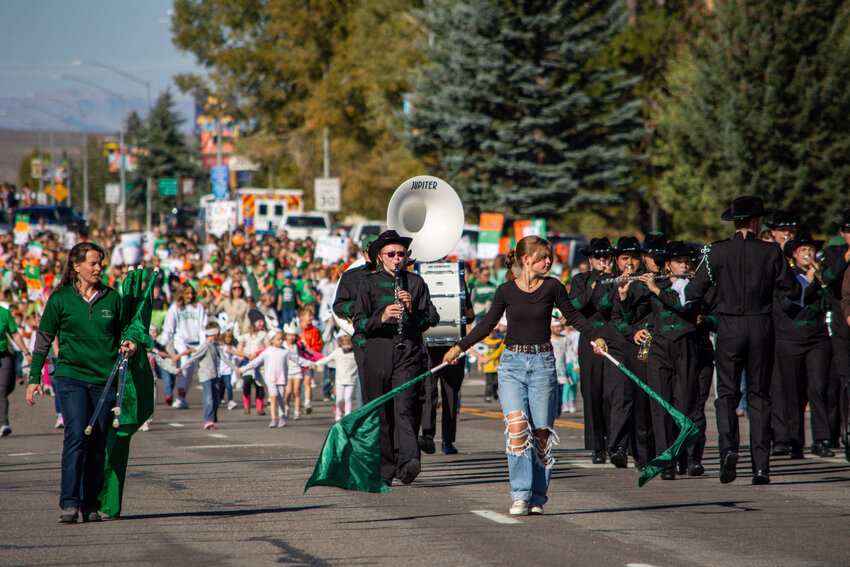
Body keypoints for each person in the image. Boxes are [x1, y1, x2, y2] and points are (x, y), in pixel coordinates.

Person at [443, 235, 606, 516]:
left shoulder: (553, 287)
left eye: (550, 257)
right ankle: (520, 493)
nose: (549, 262)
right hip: (511, 364)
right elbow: (486, 326)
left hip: (543, 362)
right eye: (544, 257)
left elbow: (574, 316)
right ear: (527, 259)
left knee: (541, 434)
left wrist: (595, 337)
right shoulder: (505, 290)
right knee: (517, 429)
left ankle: (538, 495)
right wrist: (459, 347)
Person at [684, 196, 800, 485]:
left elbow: (693, 291)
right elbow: (791, 289)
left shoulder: (716, 252)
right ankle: (761, 467)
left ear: (735, 222)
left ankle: (728, 450)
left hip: (729, 325)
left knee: (727, 395)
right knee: (759, 396)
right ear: (757, 221)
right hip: (761, 324)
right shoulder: (771, 252)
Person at [25, 242, 138, 524]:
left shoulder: (112, 298)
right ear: (76, 266)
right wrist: (34, 377)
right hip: (70, 376)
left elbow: (124, 329)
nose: (99, 268)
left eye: (100, 263)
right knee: (76, 435)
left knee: (98, 442)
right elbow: (43, 338)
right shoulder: (60, 298)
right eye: (93, 263)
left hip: (104, 379)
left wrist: (130, 341)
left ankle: (91, 503)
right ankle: (70, 503)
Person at [352, 230, 439, 487]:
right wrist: (382, 318)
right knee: (382, 411)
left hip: (408, 350)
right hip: (377, 350)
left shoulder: (416, 282)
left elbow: (428, 320)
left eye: (401, 254)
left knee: (405, 406)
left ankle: (409, 461)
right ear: (381, 257)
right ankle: (385, 469)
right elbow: (359, 323)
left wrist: (411, 310)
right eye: (391, 254)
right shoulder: (368, 283)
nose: (397, 258)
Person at [569, 237, 613, 463]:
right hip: (590, 340)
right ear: (590, 258)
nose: (603, 260)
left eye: (606, 256)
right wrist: (594, 288)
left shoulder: (618, 279)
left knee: (613, 394)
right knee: (592, 393)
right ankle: (597, 446)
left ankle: (615, 442)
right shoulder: (581, 279)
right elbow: (573, 307)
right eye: (598, 256)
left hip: (614, 339)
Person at [241, 326, 314, 427]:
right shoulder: (267, 352)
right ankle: (274, 418)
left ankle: (282, 416)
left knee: (281, 399)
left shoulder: (285, 351)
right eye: (278, 339)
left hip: (281, 378)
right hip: (271, 379)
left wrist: (310, 363)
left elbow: (297, 359)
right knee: (273, 397)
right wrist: (243, 369)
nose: (281, 341)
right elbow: (255, 362)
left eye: (281, 339)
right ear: (272, 340)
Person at [179, 322, 241, 430]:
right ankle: (208, 420)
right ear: (215, 334)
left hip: (215, 375)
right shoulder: (205, 346)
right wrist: (181, 368)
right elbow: (193, 358)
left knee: (216, 399)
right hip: (205, 376)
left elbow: (225, 359)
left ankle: (212, 417)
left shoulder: (215, 346)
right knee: (209, 398)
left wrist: (236, 369)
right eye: (218, 333)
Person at [158, 282, 207, 409]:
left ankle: (182, 397)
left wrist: (202, 345)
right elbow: (169, 328)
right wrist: (161, 344)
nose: (190, 296)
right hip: (181, 341)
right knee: (184, 366)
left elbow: (203, 327)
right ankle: (179, 397)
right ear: (181, 294)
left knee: (190, 374)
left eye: (191, 293)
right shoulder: (175, 308)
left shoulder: (198, 307)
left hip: (196, 342)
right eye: (187, 293)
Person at [0, 304, 32, 436]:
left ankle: (2, 425)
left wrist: (26, 352)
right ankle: (3, 423)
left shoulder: (4, 313)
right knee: (0, 391)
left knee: (6, 388)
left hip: (3, 356)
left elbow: (15, 334)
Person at [313, 331, 359, 421]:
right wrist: (316, 364)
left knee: (348, 398)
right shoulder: (338, 352)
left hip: (351, 380)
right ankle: (339, 411)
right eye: (344, 344)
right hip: (339, 380)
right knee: (339, 399)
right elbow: (327, 359)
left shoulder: (355, 353)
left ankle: (347, 415)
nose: (346, 346)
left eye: (348, 344)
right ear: (341, 344)